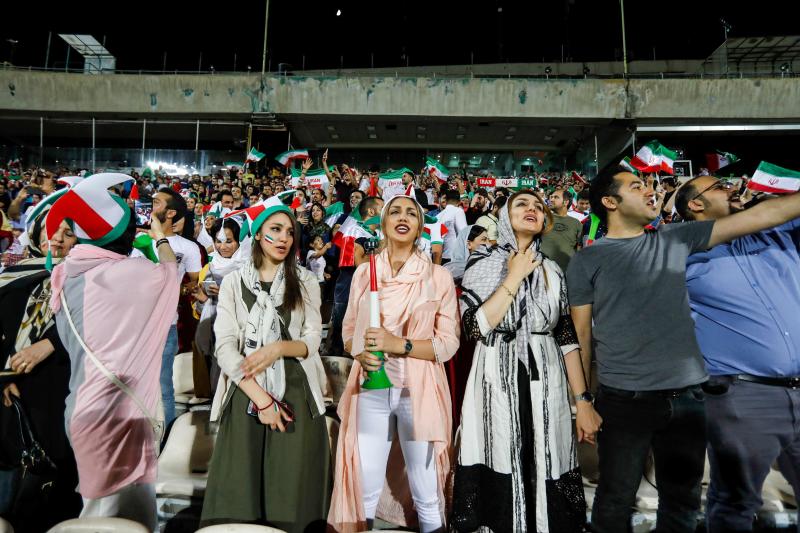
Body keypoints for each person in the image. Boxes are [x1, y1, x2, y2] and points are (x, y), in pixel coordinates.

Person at [567, 163, 800, 533]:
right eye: (636, 186)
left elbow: (768, 213)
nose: (650, 190)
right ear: (609, 201)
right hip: (624, 400)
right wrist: (582, 401)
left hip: (687, 398)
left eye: (648, 185)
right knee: (615, 499)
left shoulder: (676, 239)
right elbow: (578, 335)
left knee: (682, 503)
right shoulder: (587, 260)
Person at [452, 190, 599, 533]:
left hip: (544, 374)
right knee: (501, 456)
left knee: (548, 459)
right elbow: (475, 327)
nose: (532, 209)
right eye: (522, 204)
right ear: (504, 216)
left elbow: (565, 337)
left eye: (538, 206)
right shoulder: (483, 262)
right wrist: (514, 276)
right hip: (496, 376)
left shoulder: (552, 270)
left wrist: (584, 401)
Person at [47, 173, 180, 530]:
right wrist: (159, 235)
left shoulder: (66, 275)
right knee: (116, 518)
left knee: (104, 511)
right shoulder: (130, 273)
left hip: (83, 410)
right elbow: (171, 272)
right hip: (121, 414)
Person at [328, 190, 459, 533]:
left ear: (419, 228)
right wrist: (361, 353)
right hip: (370, 388)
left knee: (426, 489)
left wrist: (397, 344)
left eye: (411, 214)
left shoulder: (438, 277)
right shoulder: (363, 273)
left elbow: (447, 344)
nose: (403, 217)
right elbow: (349, 332)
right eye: (395, 212)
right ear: (383, 224)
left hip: (419, 391)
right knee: (364, 489)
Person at [676, 176, 800, 532]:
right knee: (736, 501)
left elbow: (782, 210)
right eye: (719, 186)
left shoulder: (779, 232)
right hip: (742, 396)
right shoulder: (684, 248)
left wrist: (774, 194)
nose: (733, 187)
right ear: (695, 205)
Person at [201, 195, 330, 532]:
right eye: (276, 229)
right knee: (239, 497)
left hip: (298, 395)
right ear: (258, 234)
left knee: (290, 497)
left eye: (290, 231)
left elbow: (314, 339)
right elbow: (226, 348)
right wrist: (261, 399)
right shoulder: (233, 282)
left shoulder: (306, 281)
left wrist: (278, 349)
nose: (284, 238)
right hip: (248, 391)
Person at [0, 209, 83, 531]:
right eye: (52, 230)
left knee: (56, 482)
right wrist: (4, 377)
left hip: (61, 390)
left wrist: (51, 344)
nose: (57, 239)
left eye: (68, 233)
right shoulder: (17, 274)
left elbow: (99, 333)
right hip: (15, 393)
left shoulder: (92, 280)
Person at [132, 188, 201, 427]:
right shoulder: (134, 240)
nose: (151, 206)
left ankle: (166, 441)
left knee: (163, 388)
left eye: (156, 203)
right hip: (132, 326)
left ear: (171, 212)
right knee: (130, 387)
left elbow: (194, 282)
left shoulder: (188, 247)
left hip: (165, 326)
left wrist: (177, 290)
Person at [192, 217, 250, 395]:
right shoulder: (210, 268)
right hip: (217, 334)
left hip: (243, 335)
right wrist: (203, 300)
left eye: (229, 241)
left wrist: (229, 292)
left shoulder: (250, 267)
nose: (222, 247)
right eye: (218, 241)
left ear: (239, 240)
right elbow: (204, 310)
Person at [541, 189, 582, 272]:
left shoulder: (576, 223)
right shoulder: (542, 219)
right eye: (551, 197)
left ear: (565, 202)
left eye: (556, 197)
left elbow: (579, 248)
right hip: (544, 271)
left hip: (568, 270)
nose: (551, 199)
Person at [437, 189, 468, 262]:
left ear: (446, 200)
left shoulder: (438, 216)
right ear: (459, 201)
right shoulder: (458, 211)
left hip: (442, 256)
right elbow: (463, 232)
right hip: (455, 257)